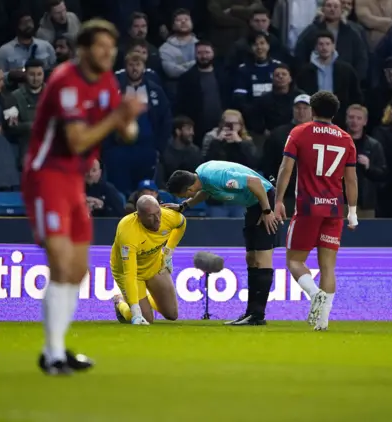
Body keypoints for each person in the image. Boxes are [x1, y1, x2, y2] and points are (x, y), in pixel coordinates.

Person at [20, 19, 146, 375]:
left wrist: (128, 120)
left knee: (77, 270)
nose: (108, 53)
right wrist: (118, 118)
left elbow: (128, 132)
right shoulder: (66, 82)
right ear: (83, 49)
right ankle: (54, 354)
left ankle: (55, 352)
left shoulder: (107, 82)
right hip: (47, 177)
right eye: (101, 47)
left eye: (112, 48)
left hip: (74, 181)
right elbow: (77, 140)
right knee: (61, 263)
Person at [273, 91, 358, 331]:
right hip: (334, 209)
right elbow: (351, 180)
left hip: (308, 207)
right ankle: (322, 322)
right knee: (329, 266)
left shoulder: (299, 132)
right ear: (335, 112)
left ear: (312, 109)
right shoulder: (346, 138)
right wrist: (352, 212)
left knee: (294, 260)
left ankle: (314, 294)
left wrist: (279, 200)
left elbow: (285, 169)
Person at [165, 161, 280, 326]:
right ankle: (251, 313)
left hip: (264, 200)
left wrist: (268, 211)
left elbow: (255, 182)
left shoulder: (216, 177)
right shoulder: (202, 178)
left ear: (189, 189)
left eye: (183, 196)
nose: (185, 198)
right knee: (251, 258)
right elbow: (205, 192)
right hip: (254, 205)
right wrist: (184, 206)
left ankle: (257, 315)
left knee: (262, 258)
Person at [110, 195, 185, 324]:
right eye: (151, 216)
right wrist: (135, 311)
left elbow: (182, 223)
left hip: (154, 264)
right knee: (146, 319)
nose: (158, 220)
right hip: (129, 272)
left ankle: (144, 301)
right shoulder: (128, 232)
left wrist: (168, 252)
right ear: (139, 217)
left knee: (172, 314)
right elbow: (130, 274)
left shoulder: (167, 216)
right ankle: (120, 302)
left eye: (158, 213)